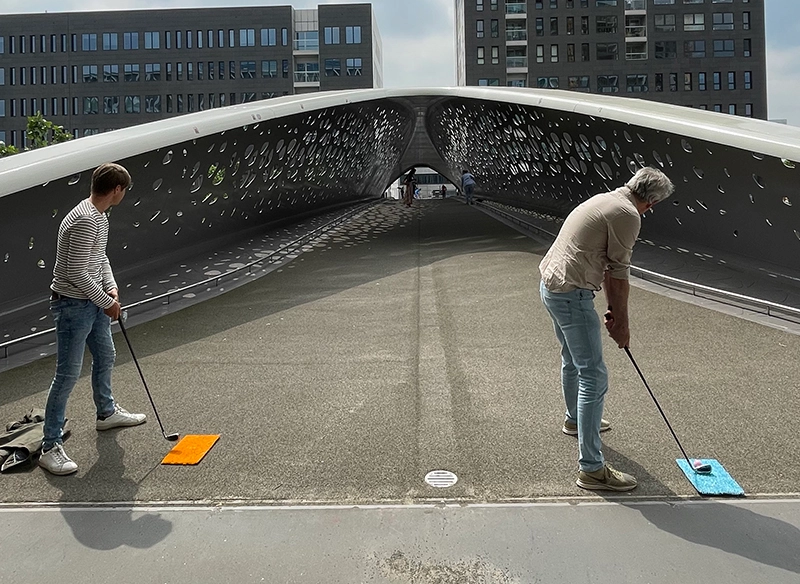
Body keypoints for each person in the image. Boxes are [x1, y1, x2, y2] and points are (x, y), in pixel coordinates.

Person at [538, 167, 674, 492]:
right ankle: (592, 469)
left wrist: (613, 312)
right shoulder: (628, 214)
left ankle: (574, 419)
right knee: (594, 375)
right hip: (572, 293)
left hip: (551, 286)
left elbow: (611, 270)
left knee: (573, 361)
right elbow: (618, 275)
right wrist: (622, 325)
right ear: (652, 202)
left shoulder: (605, 199)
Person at [39, 162, 147, 476]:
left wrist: (111, 287)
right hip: (73, 306)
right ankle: (49, 446)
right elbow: (75, 273)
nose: (123, 194)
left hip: (93, 301)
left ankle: (107, 413)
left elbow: (99, 258)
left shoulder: (97, 215)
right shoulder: (86, 220)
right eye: (123, 190)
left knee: (106, 354)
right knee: (67, 376)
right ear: (116, 190)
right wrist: (108, 304)